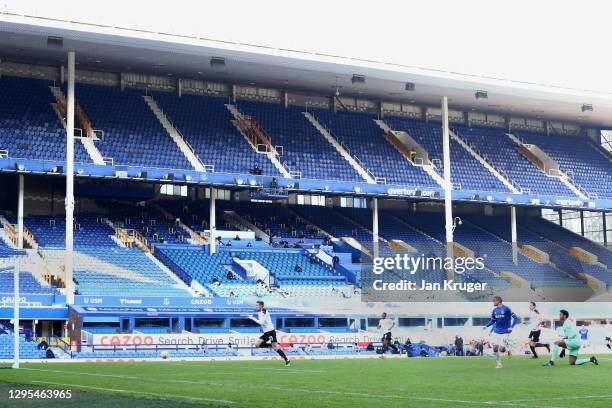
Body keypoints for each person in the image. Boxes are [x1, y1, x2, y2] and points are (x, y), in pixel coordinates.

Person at [248, 300, 291, 366]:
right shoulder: (259, 312)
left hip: (271, 332)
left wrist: (252, 318)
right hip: (266, 333)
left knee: (276, 348)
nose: (256, 306)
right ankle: (271, 345)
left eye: (257, 305)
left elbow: (261, 322)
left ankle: (287, 360)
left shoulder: (264, 312)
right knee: (257, 344)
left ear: (261, 306)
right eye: (256, 305)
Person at [483, 295, 519, 368]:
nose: (493, 302)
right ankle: (499, 364)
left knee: (501, 349)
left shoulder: (507, 309)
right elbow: (493, 320)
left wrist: (511, 327)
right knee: (495, 348)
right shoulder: (494, 310)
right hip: (496, 331)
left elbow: (516, 318)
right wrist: (486, 326)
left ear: (498, 301)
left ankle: (508, 351)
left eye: (494, 301)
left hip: (505, 331)